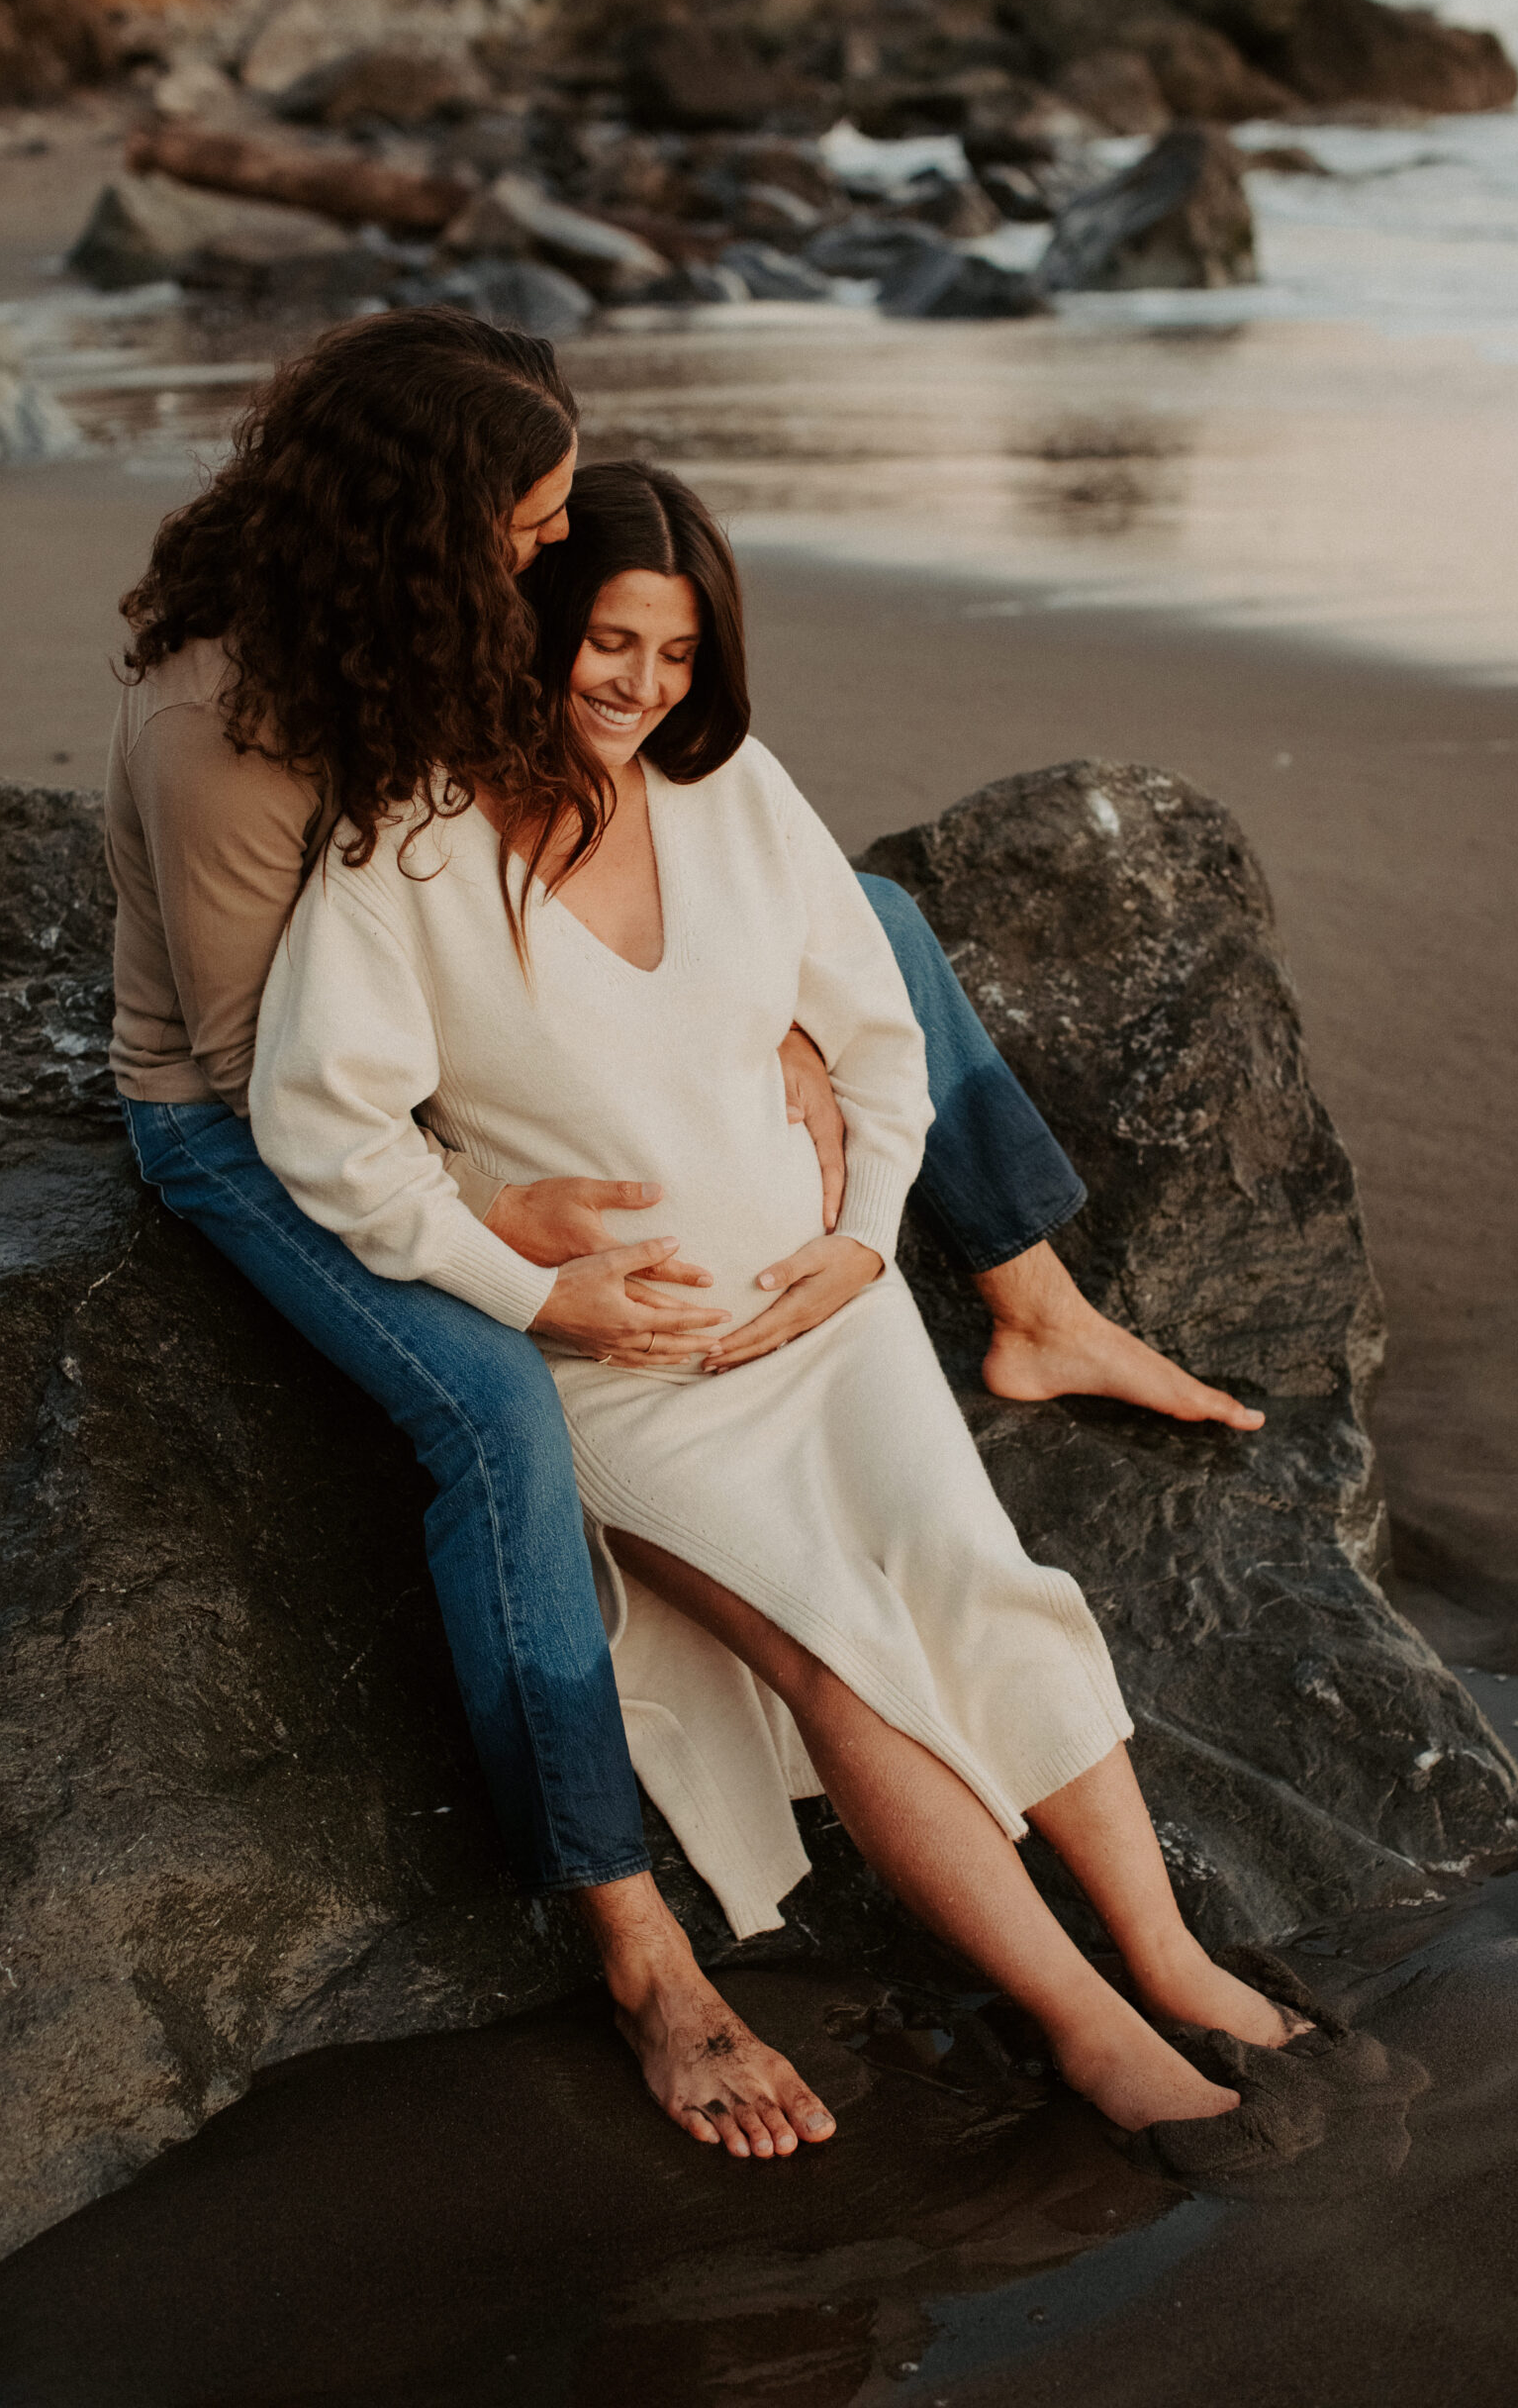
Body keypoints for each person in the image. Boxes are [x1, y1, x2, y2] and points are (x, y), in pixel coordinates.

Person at [107, 308, 1260, 2162]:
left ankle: (1033, 1296)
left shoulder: (569, 704)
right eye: (544, 543)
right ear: (438, 542)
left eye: (571, 531)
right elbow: (293, 1098)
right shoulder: (251, 756)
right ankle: (648, 1950)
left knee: (869, 918)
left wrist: (788, 1049)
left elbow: (774, 906)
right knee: (498, 1419)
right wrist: (503, 1240)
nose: (561, 567)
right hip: (263, 1123)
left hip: (778, 1278)